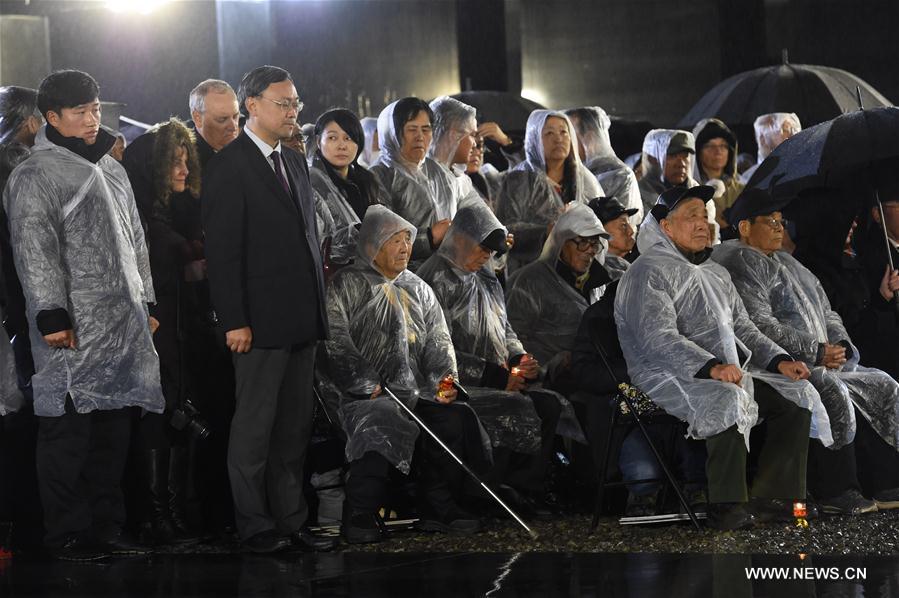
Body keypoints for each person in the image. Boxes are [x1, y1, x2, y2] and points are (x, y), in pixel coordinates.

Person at [4, 70, 164, 559]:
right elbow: (35, 250)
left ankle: (107, 524)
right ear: (51, 117)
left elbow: (136, 240)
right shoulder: (34, 174)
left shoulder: (112, 168)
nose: (93, 119)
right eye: (80, 111)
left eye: (95, 109)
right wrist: (52, 314)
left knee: (112, 433)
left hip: (120, 326)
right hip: (71, 326)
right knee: (67, 434)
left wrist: (147, 301)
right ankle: (68, 531)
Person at [615, 184, 825, 530]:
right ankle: (726, 504)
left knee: (796, 397)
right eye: (691, 217)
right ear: (665, 227)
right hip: (666, 374)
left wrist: (778, 361)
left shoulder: (715, 272)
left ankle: (775, 496)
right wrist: (709, 367)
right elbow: (657, 338)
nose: (702, 224)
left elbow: (744, 328)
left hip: (726, 369)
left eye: (705, 216)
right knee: (725, 400)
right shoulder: (648, 271)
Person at [201, 65, 334, 554]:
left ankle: (290, 520)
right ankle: (254, 524)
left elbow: (307, 241)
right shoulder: (229, 164)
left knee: (293, 429)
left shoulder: (295, 162)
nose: (293, 112)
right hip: (256, 322)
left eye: (295, 103)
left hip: (300, 317)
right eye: (283, 104)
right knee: (254, 430)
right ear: (251, 105)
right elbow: (224, 251)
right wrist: (234, 319)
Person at [714, 193, 897, 513]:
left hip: (824, 357)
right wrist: (814, 351)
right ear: (744, 226)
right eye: (769, 222)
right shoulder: (738, 260)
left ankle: (884, 481)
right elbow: (758, 324)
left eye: (781, 222)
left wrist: (839, 346)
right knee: (831, 390)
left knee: (881, 383)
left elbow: (825, 311)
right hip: (777, 362)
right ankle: (836, 490)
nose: (778, 229)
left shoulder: (786, 261)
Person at [322, 205, 485, 542]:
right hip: (363, 395)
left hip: (415, 391)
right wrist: (363, 380)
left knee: (451, 418)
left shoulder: (419, 288)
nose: (404, 247)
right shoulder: (345, 284)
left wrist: (444, 381)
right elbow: (335, 341)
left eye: (407, 240)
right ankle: (360, 513)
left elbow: (439, 342)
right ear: (371, 245)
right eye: (394, 240)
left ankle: (437, 507)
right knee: (379, 420)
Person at [418, 202, 565, 515]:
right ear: (459, 239)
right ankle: (482, 493)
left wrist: (520, 356)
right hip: (453, 385)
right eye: (482, 248)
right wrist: (497, 377)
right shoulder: (433, 279)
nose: (486, 256)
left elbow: (504, 326)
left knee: (548, 405)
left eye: (490, 251)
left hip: (499, 376)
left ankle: (521, 488)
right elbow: (436, 350)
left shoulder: (484, 277)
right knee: (510, 406)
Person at [122, 118, 206, 544]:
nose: (184, 170)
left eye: (186, 160)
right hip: (153, 331)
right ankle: (156, 518)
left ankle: (171, 515)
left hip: (175, 329)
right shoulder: (142, 221)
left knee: (172, 412)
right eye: (174, 162)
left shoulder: (168, 214)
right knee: (156, 415)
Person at [506, 204, 611, 392]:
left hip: (594, 376)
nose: (590, 250)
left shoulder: (601, 282)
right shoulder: (529, 281)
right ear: (562, 242)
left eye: (594, 243)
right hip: (548, 384)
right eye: (582, 242)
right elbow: (514, 339)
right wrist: (553, 363)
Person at [370, 97, 481, 268]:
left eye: (426, 129)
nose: (420, 137)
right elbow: (378, 240)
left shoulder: (440, 172)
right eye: (411, 129)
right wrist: (429, 238)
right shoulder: (379, 177)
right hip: (405, 280)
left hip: (447, 274)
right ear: (392, 133)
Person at [495, 110, 603, 272]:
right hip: (530, 273)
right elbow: (505, 230)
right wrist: (545, 232)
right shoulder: (519, 179)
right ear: (534, 139)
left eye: (563, 132)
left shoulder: (585, 181)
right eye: (549, 133)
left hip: (577, 272)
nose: (558, 138)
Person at [309, 108, 387, 269]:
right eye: (332, 138)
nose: (342, 145)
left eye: (349, 138)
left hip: (372, 268)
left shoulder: (367, 180)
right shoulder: (312, 183)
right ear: (318, 142)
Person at [565, 106, 643, 226]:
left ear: (590, 138)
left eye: (569, 134)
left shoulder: (620, 176)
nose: (565, 141)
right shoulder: (570, 172)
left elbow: (622, 228)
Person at [692, 118, 744, 228]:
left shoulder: (742, 191)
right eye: (710, 146)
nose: (718, 151)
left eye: (723, 146)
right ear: (698, 152)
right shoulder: (690, 192)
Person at [636, 129, 699, 217]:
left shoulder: (697, 191)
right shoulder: (637, 196)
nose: (682, 164)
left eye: (685, 156)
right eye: (672, 156)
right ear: (652, 158)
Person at [188, 79, 241, 167]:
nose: (233, 127)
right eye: (222, 119)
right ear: (198, 118)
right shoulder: (185, 163)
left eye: (235, 116)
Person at [739, 113, 801, 185]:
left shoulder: (800, 169)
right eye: (762, 135)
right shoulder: (750, 177)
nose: (763, 140)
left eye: (786, 130)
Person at [587, 196, 638, 282]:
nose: (631, 231)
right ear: (601, 230)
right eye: (623, 225)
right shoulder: (602, 273)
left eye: (629, 224)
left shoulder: (625, 264)